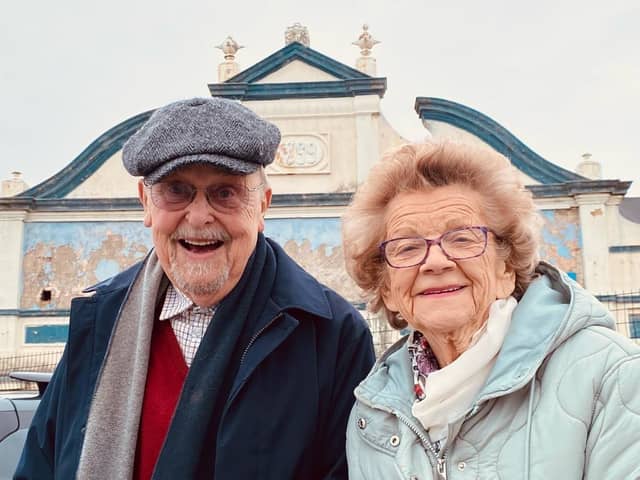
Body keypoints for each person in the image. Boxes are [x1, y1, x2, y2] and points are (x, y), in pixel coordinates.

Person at [15, 97, 375, 479]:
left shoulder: (331, 333)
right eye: (176, 191)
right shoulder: (100, 320)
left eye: (225, 193)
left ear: (263, 206)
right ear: (146, 204)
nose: (200, 217)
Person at [342, 141, 640, 479]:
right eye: (407, 247)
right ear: (388, 290)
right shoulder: (373, 415)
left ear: (507, 268)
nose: (435, 262)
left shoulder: (610, 377)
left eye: (462, 239)